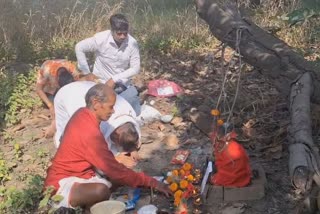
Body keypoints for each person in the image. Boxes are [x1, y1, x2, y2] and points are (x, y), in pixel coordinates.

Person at [44, 84, 170, 212]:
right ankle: (86, 209)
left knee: (118, 178)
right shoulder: (88, 132)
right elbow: (114, 170)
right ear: (96, 103)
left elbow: (110, 166)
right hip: (60, 184)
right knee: (102, 190)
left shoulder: (82, 113)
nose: (113, 111)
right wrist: (152, 182)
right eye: (110, 106)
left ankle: (88, 206)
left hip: (82, 174)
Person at [54, 80, 140, 168]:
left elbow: (131, 134)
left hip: (87, 87)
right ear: (114, 135)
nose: (113, 110)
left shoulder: (129, 114)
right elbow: (89, 152)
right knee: (67, 142)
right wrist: (115, 159)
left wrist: (132, 149)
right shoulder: (93, 123)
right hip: (67, 95)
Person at [75, 13, 141, 115]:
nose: (123, 36)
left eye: (125, 33)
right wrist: (86, 73)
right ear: (112, 31)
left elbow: (135, 68)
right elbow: (79, 47)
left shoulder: (132, 43)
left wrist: (114, 79)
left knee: (135, 113)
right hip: (100, 84)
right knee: (97, 112)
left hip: (121, 87)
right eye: (119, 34)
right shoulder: (101, 39)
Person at [36, 60, 79, 137]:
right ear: (56, 79)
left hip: (64, 86)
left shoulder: (72, 69)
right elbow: (39, 89)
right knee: (55, 106)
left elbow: (77, 85)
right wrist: (50, 106)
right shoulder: (47, 71)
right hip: (48, 89)